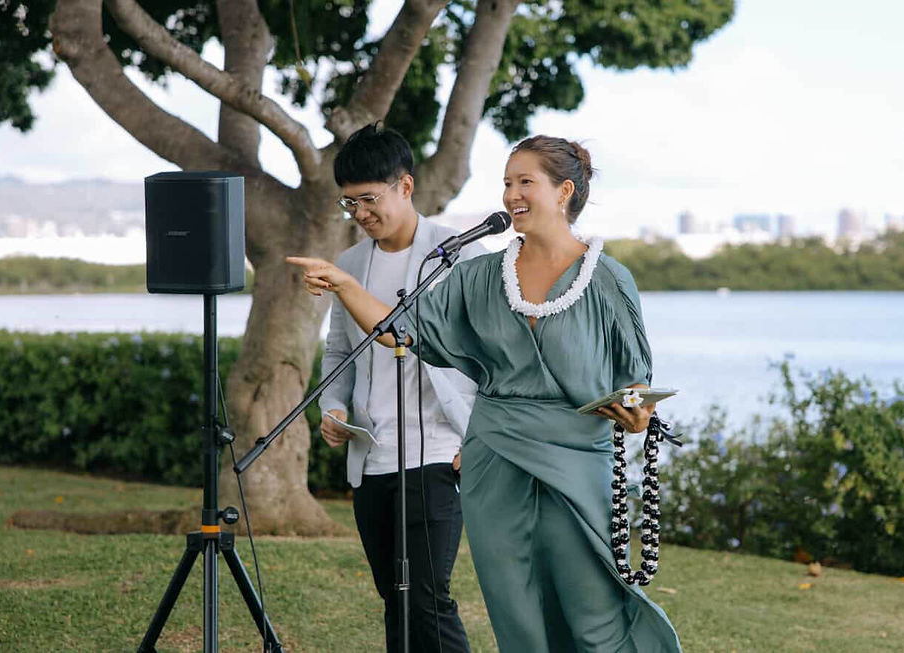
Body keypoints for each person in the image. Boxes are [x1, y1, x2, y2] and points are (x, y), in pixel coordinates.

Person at [291, 135, 681, 652]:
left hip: (576, 462)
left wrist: (636, 411)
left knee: (592, 612)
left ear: (563, 191)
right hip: (495, 460)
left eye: (525, 182)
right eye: (506, 183)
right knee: (516, 609)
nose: (511, 194)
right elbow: (400, 331)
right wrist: (344, 284)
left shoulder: (608, 279)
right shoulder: (478, 276)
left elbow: (636, 378)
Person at [317, 123, 483, 653]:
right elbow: (339, 351)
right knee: (394, 597)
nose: (361, 214)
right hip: (372, 458)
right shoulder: (349, 265)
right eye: (349, 204)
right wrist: (334, 404)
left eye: (369, 199)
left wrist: (473, 437)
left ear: (406, 187)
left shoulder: (455, 255)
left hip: (435, 452)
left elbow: (488, 355)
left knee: (429, 599)